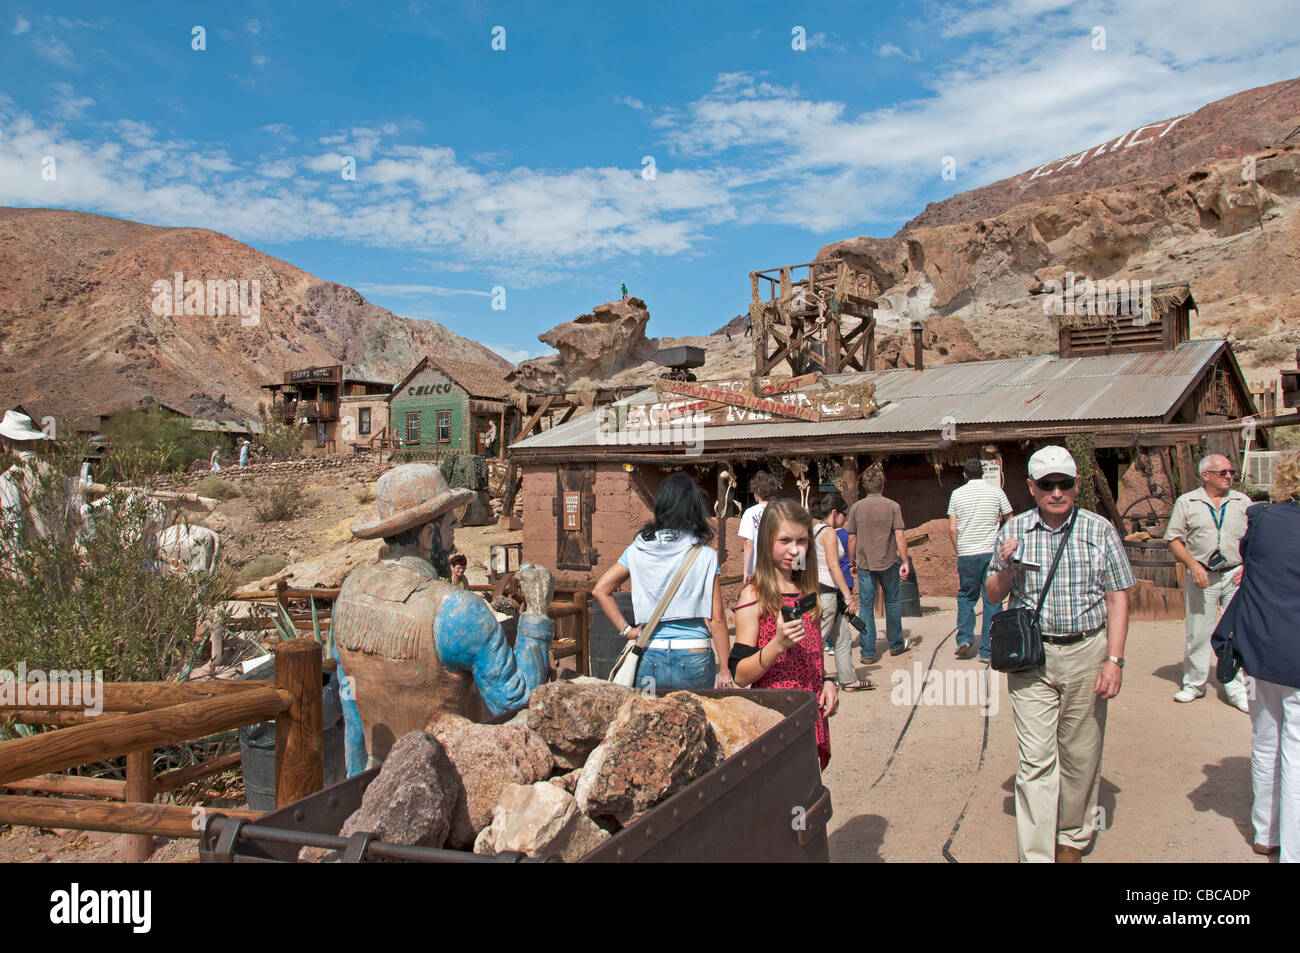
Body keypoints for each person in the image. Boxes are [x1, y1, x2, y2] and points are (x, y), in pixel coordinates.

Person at [334, 464, 554, 764]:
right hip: (446, 779)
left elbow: (352, 707)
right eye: (450, 526)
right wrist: (537, 614)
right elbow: (517, 705)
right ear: (428, 536)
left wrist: (355, 780)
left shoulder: (349, 593)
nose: (453, 539)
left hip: (375, 780)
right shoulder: (457, 610)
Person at [985, 445, 1135, 863]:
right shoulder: (1014, 530)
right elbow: (992, 594)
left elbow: (1117, 597)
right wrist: (1007, 566)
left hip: (1088, 651)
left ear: (1076, 485)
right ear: (1031, 487)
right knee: (1035, 759)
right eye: (1047, 485)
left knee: (1081, 752)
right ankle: (1036, 855)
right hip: (1033, 657)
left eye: (1063, 484)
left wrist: (1115, 659)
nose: (1056, 492)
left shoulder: (1099, 529)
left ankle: (1071, 835)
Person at [1213, 451, 1300, 861]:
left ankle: (1267, 832)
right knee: (1295, 752)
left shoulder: (1263, 518)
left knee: (1267, 741)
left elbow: (1253, 561)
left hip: (1262, 648)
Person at [593, 471, 732, 691]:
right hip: (694, 653)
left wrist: (626, 630)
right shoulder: (704, 555)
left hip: (650, 651)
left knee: (650, 722)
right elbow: (717, 618)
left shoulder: (637, 549)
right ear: (695, 509)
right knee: (696, 721)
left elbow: (601, 590)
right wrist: (724, 670)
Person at [730, 500, 838, 768]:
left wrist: (828, 682)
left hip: (810, 716)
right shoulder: (754, 596)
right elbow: (740, 675)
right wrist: (777, 644)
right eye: (785, 540)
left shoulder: (808, 592)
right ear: (766, 542)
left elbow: (814, 656)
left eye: (801, 541)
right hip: (774, 720)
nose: (794, 549)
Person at [1165, 453, 1252, 712]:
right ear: (1206, 476)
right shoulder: (1187, 502)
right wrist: (1192, 565)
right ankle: (1194, 683)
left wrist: (1247, 566)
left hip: (1234, 574)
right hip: (1202, 575)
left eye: (1231, 472)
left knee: (1235, 633)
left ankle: (1236, 688)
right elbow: (1174, 539)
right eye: (1223, 472)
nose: (1229, 477)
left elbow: (1254, 539)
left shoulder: (1242, 501)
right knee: (1198, 632)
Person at [846, 466, 916, 662]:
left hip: (866, 564)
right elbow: (900, 534)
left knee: (866, 606)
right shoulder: (893, 506)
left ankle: (867, 652)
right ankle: (895, 644)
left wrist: (852, 561)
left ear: (864, 486)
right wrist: (904, 560)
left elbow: (852, 538)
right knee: (892, 602)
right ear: (883, 485)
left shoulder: (856, 508)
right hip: (889, 562)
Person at [948, 457, 1012, 660]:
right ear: (983, 473)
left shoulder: (957, 494)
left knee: (967, 596)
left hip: (967, 552)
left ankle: (965, 638)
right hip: (991, 552)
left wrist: (959, 550)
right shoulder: (996, 492)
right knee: (992, 598)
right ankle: (987, 649)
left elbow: (952, 528)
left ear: (964, 474)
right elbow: (1010, 517)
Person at [812, 493, 869, 691]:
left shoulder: (814, 530)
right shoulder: (828, 533)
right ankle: (810, 677)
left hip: (825, 591)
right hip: (828, 592)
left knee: (842, 636)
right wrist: (848, 595)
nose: (845, 519)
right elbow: (834, 566)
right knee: (817, 639)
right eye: (844, 514)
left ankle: (848, 679)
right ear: (835, 513)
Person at [738, 470, 781, 587]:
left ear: (758, 491)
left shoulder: (750, 513)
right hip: (780, 567)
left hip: (759, 569)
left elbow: (748, 543)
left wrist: (746, 570)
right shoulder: (783, 510)